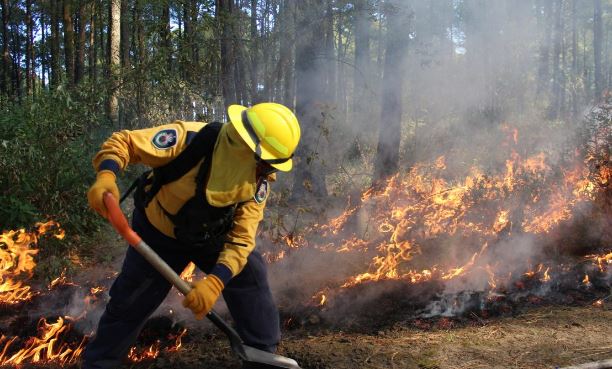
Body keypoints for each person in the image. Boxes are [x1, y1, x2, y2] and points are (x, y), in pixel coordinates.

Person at [83, 102, 301, 369]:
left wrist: (215, 282)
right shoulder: (189, 139)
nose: (269, 173)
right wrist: (106, 176)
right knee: (131, 301)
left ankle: (264, 359)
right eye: (266, 164)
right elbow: (125, 142)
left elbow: (242, 240)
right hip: (159, 234)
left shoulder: (257, 182)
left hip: (210, 237)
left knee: (250, 274)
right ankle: (101, 363)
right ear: (244, 148)